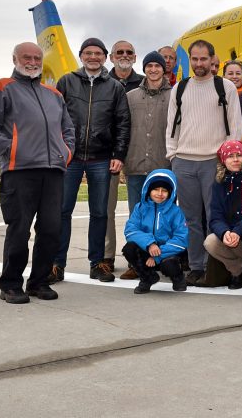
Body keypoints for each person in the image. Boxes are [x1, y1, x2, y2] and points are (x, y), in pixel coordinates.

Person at [0, 42, 75, 303]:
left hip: (53, 171)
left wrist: (65, 153)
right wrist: (13, 150)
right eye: (26, 57)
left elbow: (68, 130)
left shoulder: (53, 94)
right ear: (15, 59)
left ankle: (39, 282)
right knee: (19, 229)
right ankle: (10, 284)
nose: (32, 62)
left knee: (51, 229)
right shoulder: (1, 88)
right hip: (19, 171)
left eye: (37, 58)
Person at [52, 37, 130, 284]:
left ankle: (98, 263)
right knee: (62, 211)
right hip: (71, 158)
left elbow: (123, 124)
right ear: (81, 56)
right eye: (88, 53)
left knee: (99, 213)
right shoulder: (67, 82)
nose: (93, 57)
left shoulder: (115, 87)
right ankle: (56, 264)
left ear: (105, 57)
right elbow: (55, 118)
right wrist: (60, 150)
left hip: (101, 157)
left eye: (98, 53)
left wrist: (119, 155)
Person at [166, 39, 242, 286]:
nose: (199, 64)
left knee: (215, 217)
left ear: (212, 60)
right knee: (190, 220)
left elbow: (235, 125)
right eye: (194, 59)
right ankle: (196, 266)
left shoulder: (226, 87)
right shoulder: (180, 88)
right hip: (184, 162)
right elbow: (171, 126)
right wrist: (173, 155)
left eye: (203, 59)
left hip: (214, 162)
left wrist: (230, 159)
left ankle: (218, 267)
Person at [121, 51, 172, 280]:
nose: (153, 69)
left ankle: (165, 259)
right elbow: (122, 128)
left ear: (164, 68)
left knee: (165, 217)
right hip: (136, 164)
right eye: (149, 65)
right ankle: (136, 262)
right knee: (137, 216)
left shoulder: (174, 96)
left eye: (157, 66)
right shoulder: (130, 96)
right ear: (144, 68)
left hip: (163, 165)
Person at [104, 39, 143, 272]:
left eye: (129, 52)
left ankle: (135, 257)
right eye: (120, 52)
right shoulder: (103, 83)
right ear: (111, 57)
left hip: (138, 153)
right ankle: (106, 256)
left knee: (137, 209)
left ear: (135, 58)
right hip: (110, 154)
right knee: (105, 208)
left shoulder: (145, 83)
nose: (125, 55)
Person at [122, 169, 188, 293]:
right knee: (129, 249)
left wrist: (158, 255)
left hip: (166, 252)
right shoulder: (140, 208)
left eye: (164, 190)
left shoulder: (175, 211)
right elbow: (130, 230)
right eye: (156, 189)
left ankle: (178, 277)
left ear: (170, 193)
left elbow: (181, 238)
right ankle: (147, 277)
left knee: (169, 264)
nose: (159, 193)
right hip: (147, 248)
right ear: (148, 190)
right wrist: (150, 244)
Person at [204, 140, 242, 290]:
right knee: (210, 241)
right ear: (223, 160)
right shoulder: (219, 183)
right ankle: (237, 270)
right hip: (233, 240)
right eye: (230, 156)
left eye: (239, 155)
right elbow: (215, 217)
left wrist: (238, 231)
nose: (235, 160)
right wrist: (224, 232)